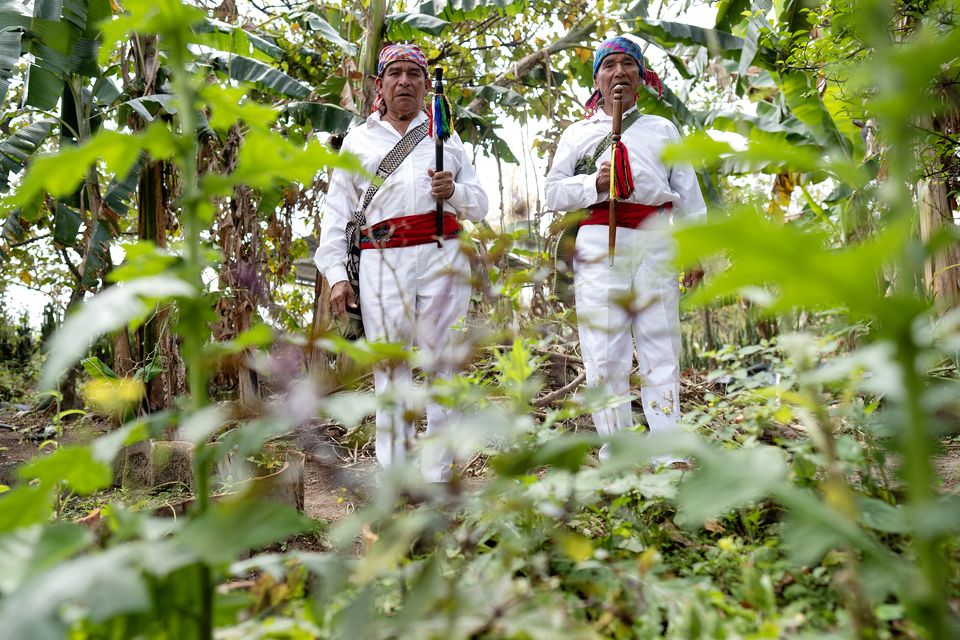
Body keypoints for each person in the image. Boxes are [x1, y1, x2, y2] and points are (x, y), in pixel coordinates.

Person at [315, 44, 489, 482]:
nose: (405, 81)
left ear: (427, 85)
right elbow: (337, 214)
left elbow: (481, 205)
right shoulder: (359, 140)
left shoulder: (446, 136)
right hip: (381, 261)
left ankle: (438, 476)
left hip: (442, 253)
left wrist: (455, 193)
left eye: (415, 73)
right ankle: (394, 478)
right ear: (380, 84)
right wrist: (338, 277)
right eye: (395, 73)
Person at [545, 36, 706, 465]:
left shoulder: (663, 129)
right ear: (596, 79)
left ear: (641, 77)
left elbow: (688, 196)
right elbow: (552, 192)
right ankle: (616, 446)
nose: (619, 72)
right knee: (604, 346)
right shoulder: (578, 134)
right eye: (609, 65)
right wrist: (592, 184)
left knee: (659, 341)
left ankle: (667, 447)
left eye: (628, 65)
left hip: (655, 238)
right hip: (600, 238)